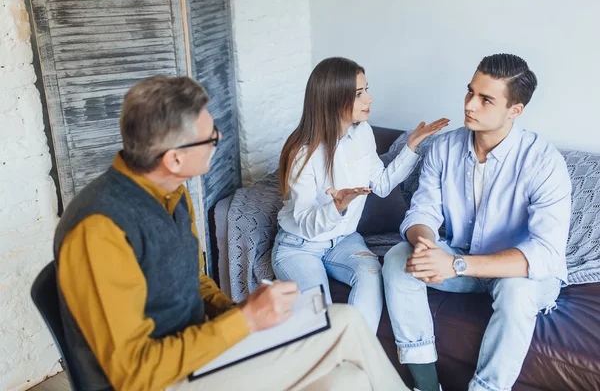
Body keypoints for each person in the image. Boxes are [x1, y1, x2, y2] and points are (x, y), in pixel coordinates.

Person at [54, 75, 409, 390]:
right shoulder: (99, 230)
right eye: (209, 138)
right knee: (344, 322)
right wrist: (244, 322)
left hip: (198, 351)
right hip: (161, 379)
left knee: (351, 380)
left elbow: (191, 280)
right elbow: (133, 375)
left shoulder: (172, 194)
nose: (217, 139)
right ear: (174, 159)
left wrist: (242, 313)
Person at [382, 53, 572, 391]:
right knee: (399, 258)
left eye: (486, 99)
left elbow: (544, 252)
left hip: (515, 272)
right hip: (461, 260)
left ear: (515, 110)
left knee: (517, 291)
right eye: (470, 92)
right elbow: (423, 210)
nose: (470, 105)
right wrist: (425, 244)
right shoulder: (444, 147)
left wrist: (455, 264)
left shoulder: (544, 162)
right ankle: (425, 384)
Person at [273, 57, 449, 333]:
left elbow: (381, 184)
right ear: (333, 98)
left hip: (344, 240)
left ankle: (356, 358)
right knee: (321, 318)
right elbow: (307, 222)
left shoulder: (362, 132)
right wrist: (337, 207)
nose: (369, 98)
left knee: (370, 277)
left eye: (366, 89)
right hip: (300, 245)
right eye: (359, 93)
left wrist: (412, 146)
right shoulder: (302, 153)